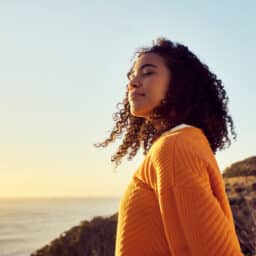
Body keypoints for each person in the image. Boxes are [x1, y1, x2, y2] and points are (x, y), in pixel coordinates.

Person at [94, 37, 244, 255]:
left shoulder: (175, 147)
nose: (133, 82)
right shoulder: (184, 141)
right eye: (132, 76)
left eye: (148, 72)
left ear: (179, 83)